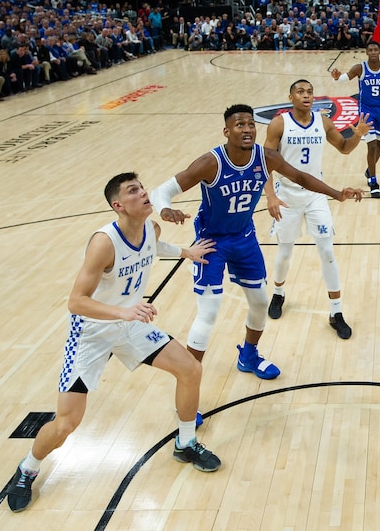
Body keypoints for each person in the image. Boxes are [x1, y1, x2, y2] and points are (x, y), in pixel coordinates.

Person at [3, 173, 221, 513]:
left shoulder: (151, 228)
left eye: (143, 188)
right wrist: (123, 312)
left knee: (190, 369)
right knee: (66, 424)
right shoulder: (104, 242)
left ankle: (186, 442)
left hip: (128, 323)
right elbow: (76, 301)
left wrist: (185, 252)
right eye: (134, 191)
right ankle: (27, 468)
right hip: (92, 334)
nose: (144, 193)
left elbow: (153, 248)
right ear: (118, 205)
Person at [150, 105, 363, 379]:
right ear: (227, 131)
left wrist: (336, 193)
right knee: (209, 313)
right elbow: (162, 190)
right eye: (240, 125)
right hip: (212, 242)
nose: (247, 129)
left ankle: (248, 356)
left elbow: (300, 177)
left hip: (244, 237)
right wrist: (165, 209)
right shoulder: (211, 162)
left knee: (261, 303)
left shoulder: (267, 158)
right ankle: (188, 381)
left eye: (251, 124)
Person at [262, 79, 373, 339]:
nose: (306, 95)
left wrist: (356, 135)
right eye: (300, 92)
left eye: (310, 92)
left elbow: (344, 149)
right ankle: (278, 294)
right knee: (285, 252)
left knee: (327, 251)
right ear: (290, 97)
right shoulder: (279, 124)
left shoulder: (323, 121)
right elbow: (265, 162)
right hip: (287, 195)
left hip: (315, 196)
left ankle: (336, 312)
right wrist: (270, 196)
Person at [330, 40, 380, 198]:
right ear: (366, 52)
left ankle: (370, 170)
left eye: (375, 50)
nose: (373, 52)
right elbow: (344, 77)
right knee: (371, 147)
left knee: (379, 147)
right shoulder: (360, 68)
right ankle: (373, 181)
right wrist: (337, 77)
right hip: (366, 111)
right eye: (370, 50)